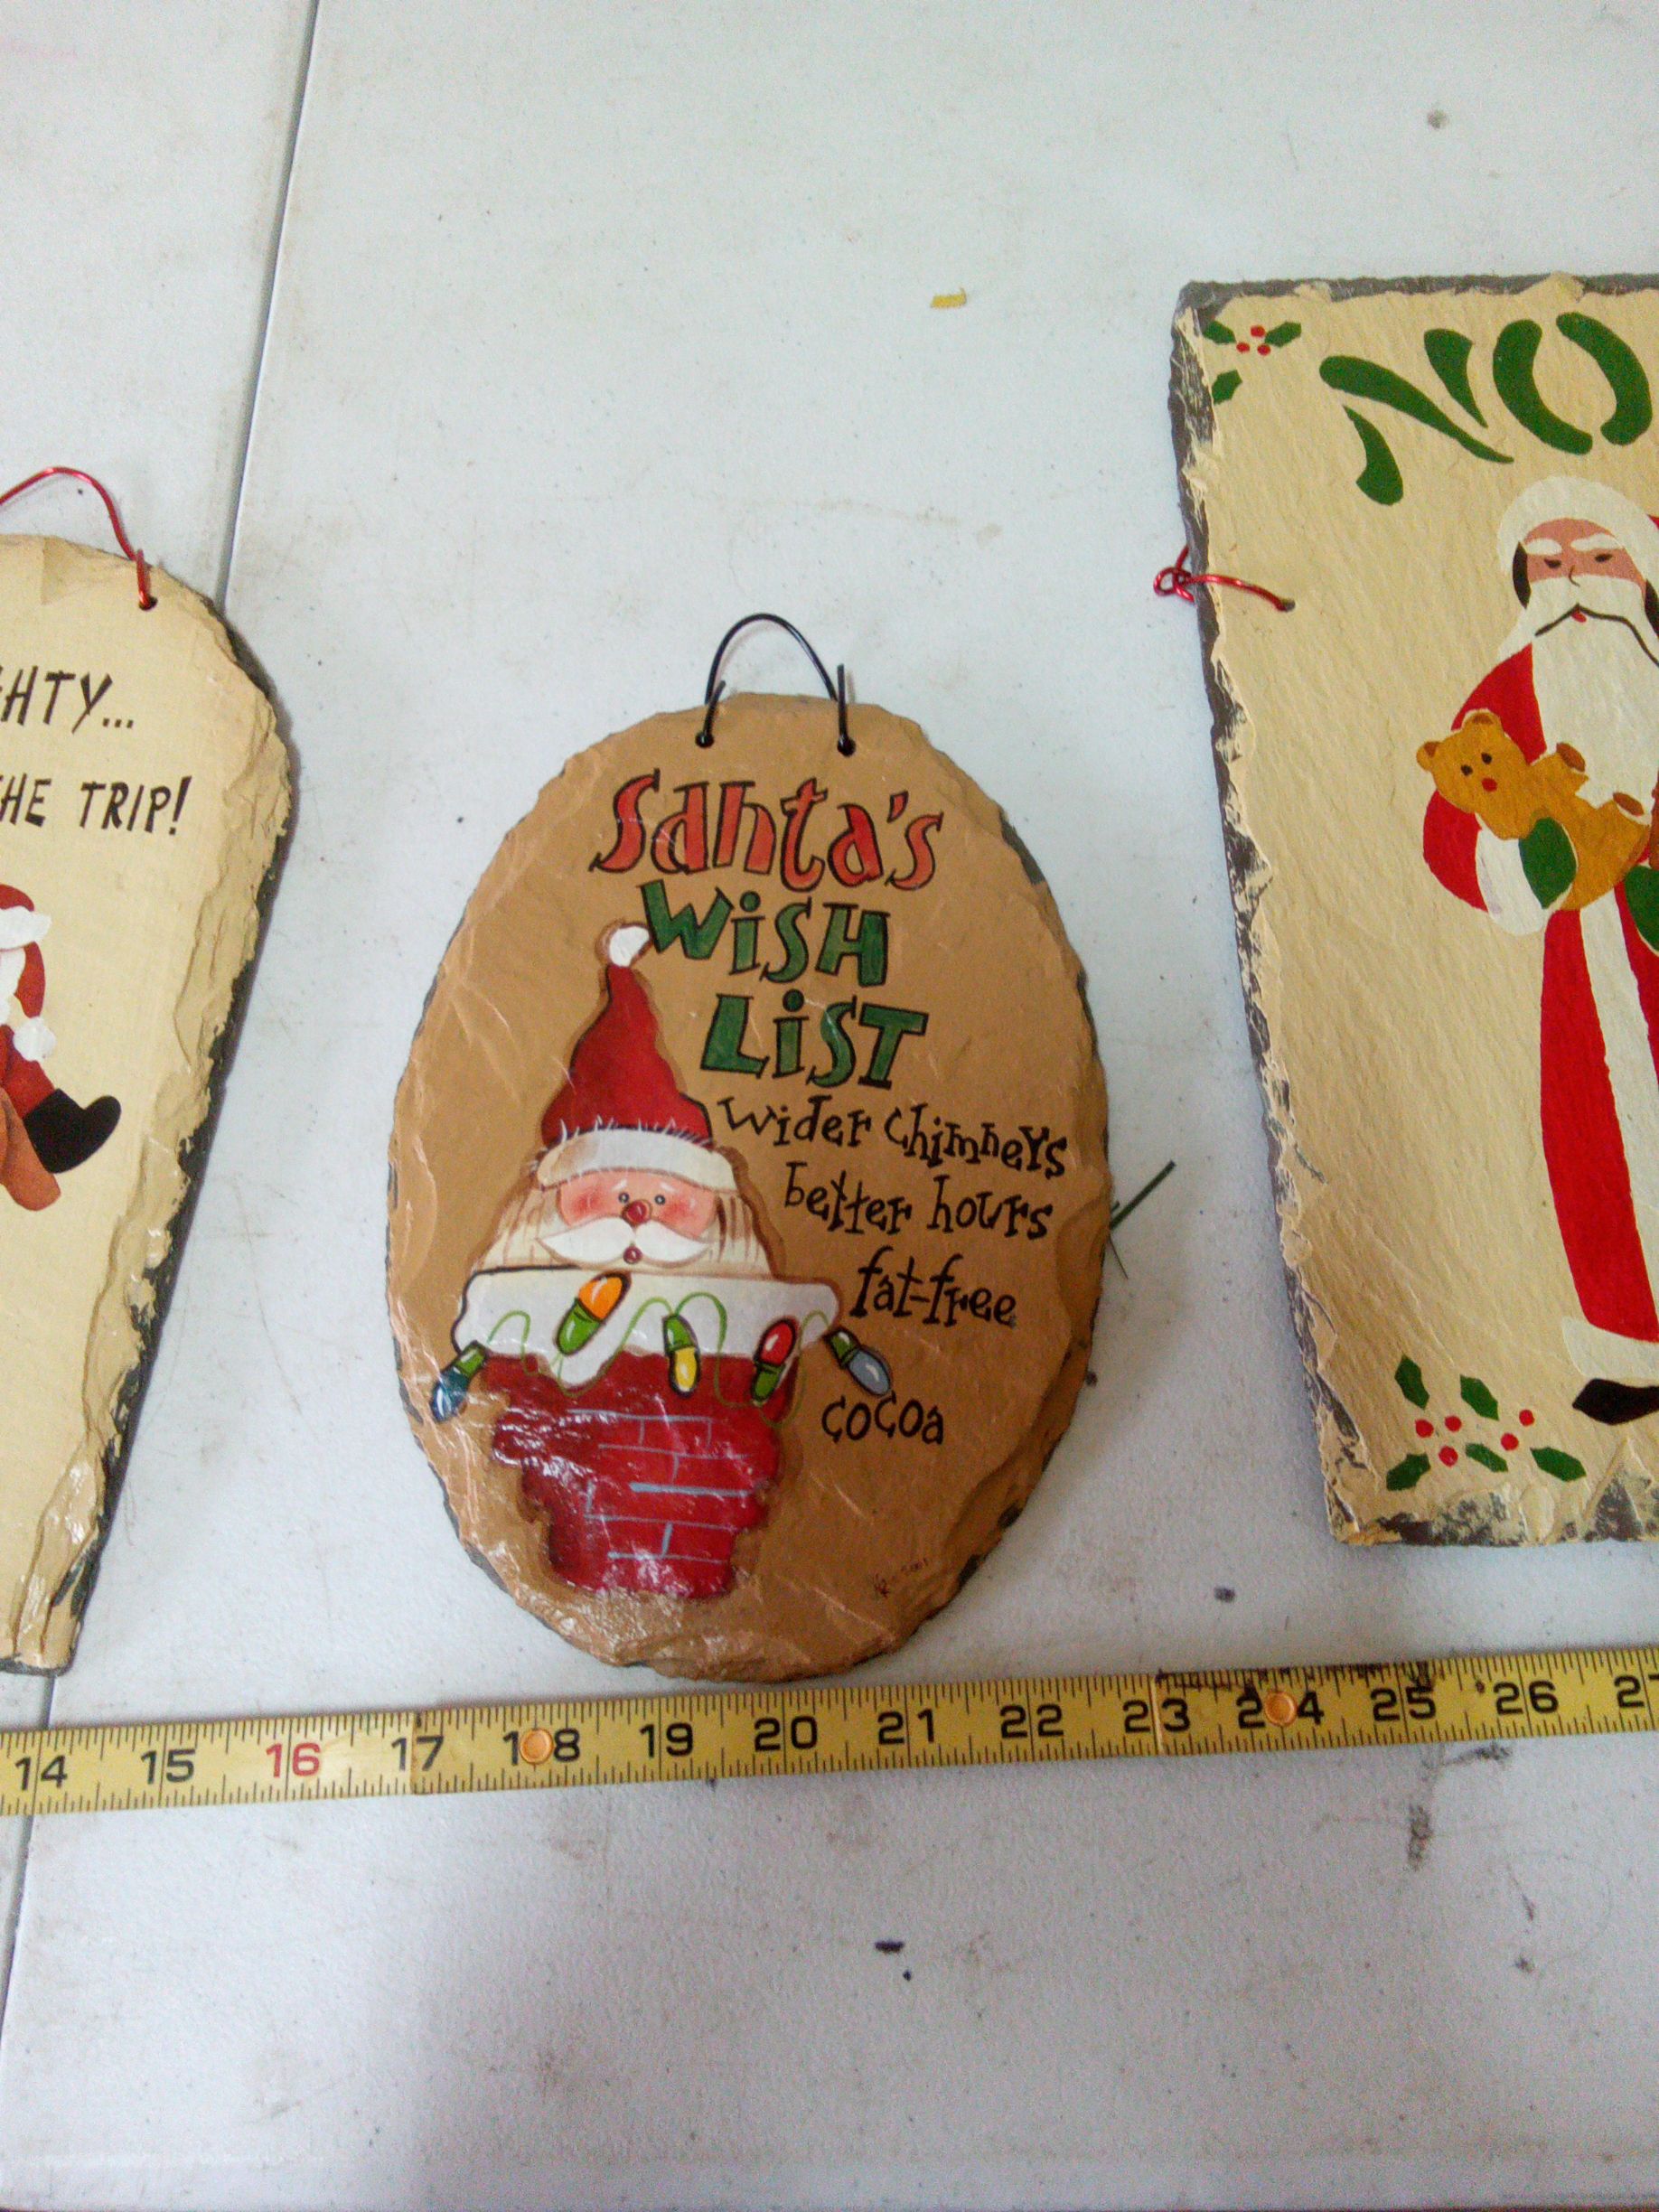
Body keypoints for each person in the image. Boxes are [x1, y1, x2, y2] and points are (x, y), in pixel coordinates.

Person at [1424, 477, 1659, 1421]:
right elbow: (1452, 817)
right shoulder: (1510, 693)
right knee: (1597, 1136)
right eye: (1550, 565)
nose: (1575, 582)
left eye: (1600, 557)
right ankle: (1636, 1344)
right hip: (1591, 958)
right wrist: (1527, 859)